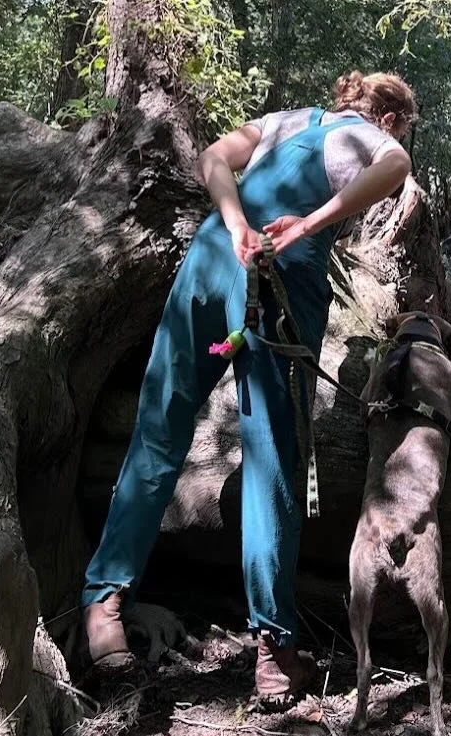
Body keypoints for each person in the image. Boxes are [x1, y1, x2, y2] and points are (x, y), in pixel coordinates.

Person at [81, 69, 417, 702]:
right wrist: (313, 223)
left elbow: (213, 159)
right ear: (389, 116)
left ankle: (104, 607)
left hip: (211, 259)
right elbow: (395, 164)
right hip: (282, 278)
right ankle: (273, 649)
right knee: (271, 458)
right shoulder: (365, 137)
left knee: (160, 427)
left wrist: (235, 222)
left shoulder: (286, 120)